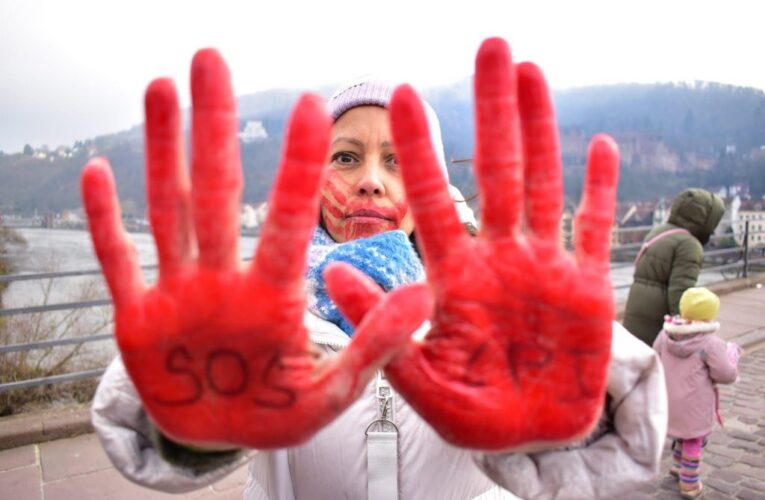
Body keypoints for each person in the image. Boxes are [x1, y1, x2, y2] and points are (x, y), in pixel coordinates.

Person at [83, 38, 667, 499]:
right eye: (345, 156)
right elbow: (148, 441)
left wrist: (569, 401)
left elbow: (616, 447)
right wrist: (195, 421)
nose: (369, 178)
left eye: (399, 160)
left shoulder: (495, 312)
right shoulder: (261, 323)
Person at [652, 287, 741, 499]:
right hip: (695, 404)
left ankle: (677, 465)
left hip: (669, 400)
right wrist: (732, 358)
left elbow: (654, 357)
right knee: (693, 439)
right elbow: (725, 374)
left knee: (682, 433)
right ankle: (689, 484)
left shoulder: (665, 334)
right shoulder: (711, 342)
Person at [623, 188, 725, 346]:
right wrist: (687, 333)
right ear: (705, 220)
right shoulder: (689, 245)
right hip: (656, 325)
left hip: (635, 317)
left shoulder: (658, 232)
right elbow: (681, 293)